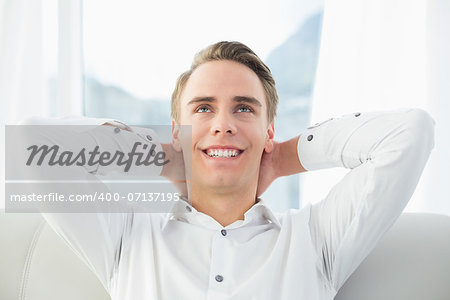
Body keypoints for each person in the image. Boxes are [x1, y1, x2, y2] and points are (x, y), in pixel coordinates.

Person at [28, 41, 434, 299]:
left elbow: (409, 133)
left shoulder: (314, 239)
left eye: (244, 108)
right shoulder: (127, 239)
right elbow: (35, 145)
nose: (223, 124)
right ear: (177, 131)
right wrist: (165, 158)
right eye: (204, 108)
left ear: (268, 130)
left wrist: (281, 157)